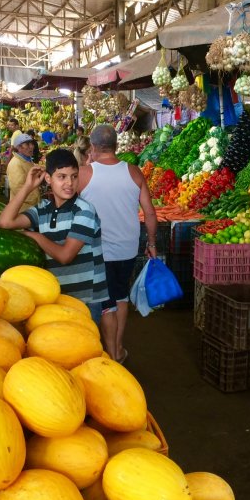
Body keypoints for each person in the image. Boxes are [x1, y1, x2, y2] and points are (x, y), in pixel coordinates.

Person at [0, 149, 108, 322]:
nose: (69, 183)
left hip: (86, 298)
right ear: (48, 179)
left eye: (74, 176)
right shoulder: (43, 209)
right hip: (59, 295)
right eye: (62, 176)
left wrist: (37, 237)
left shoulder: (84, 210)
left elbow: (65, 256)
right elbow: (5, 222)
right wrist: (27, 187)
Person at [78, 124, 158, 364]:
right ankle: (119, 346)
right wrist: (152, 242)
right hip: (128, 246)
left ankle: (110, 352)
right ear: (116, 146)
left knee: (105, 300)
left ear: (92, 147)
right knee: (120, 296)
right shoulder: (134, 172)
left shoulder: (83, 173)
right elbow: (150, 214)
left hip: (96, 248)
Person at [7, 133, 41, 213]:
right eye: (27, 144)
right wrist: (35, 199)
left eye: (31, 144)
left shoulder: (27, 159)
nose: (31, 147)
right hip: (22, 209)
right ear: (18, 148)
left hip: (31, 207)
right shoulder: (15, 164)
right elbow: (18, 189)